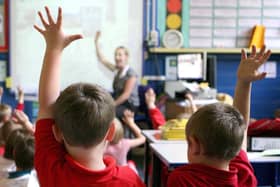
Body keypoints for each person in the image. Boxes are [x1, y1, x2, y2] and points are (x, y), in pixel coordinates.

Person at [33, 7, 145, 187]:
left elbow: (47, 106)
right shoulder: (129, 180)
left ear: (57, 132)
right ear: (110, 132)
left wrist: (54, 48)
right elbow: (47, 106)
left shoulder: (50, 170)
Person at [167, 45, 271, 187]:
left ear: (195, 145)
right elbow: (242, 128)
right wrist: (244, 82)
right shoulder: (244, 177)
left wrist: (243, 82)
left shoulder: (182, 179)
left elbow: (243, 129)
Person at [94, 31, 139, 119]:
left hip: (130, 106)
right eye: (115, 55)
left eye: (120, 55)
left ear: (126, 57)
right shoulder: (117, 69)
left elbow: (126, 95)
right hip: (120, 103)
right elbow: (102, 59)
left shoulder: (131, 74)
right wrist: (96, 42)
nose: (117, 57)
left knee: (106, 114)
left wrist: (111, 106)